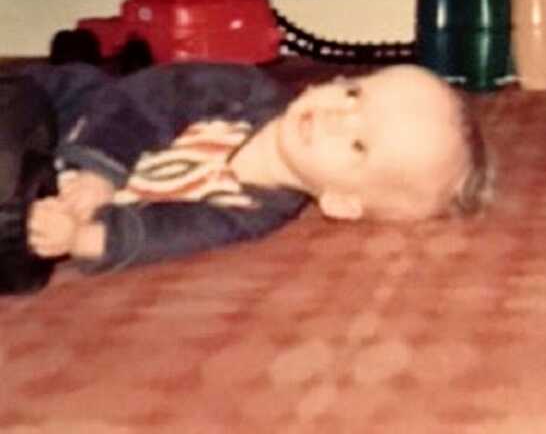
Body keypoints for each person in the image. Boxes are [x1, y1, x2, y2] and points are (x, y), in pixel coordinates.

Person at [0, 61, 491, 292]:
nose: (337, 116)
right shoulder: (241, 93)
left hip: (42, 192)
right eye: (355, 95)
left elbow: (167, 233)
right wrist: (97, 171)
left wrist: (81, 238)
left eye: (359, 145)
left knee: (19, 260)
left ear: (341, 201)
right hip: (68, 115)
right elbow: (146, 101)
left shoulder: (252, 214)